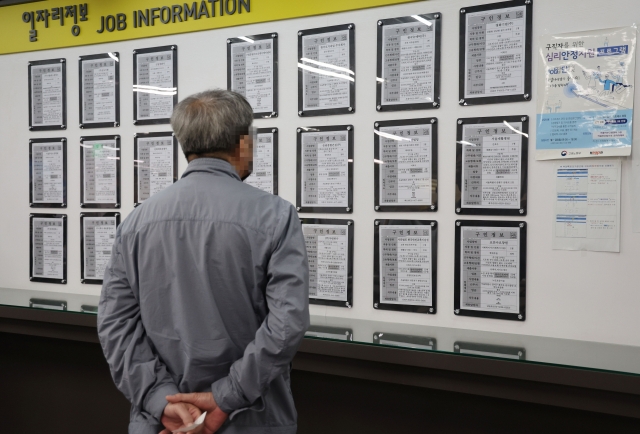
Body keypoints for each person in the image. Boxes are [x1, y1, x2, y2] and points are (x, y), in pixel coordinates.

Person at [97, 89, 310, 434]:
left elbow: (115, 325)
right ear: (242, 145)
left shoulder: (137, 222)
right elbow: (287, 324)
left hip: (162, 422)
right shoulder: (275, 216)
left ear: (186, 148)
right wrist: (226, 396)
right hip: (249, 417)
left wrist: (160, 400)